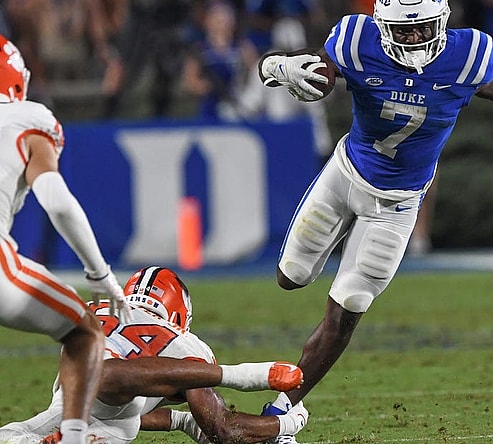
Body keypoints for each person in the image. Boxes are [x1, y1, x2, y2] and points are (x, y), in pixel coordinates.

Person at [255, 1, 493, 442]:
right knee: (289, 277)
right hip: (344, 177)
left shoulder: (465, 57)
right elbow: (320, 70)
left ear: (442, 22)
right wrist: (281, 66)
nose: (411, 39)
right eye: (402, 31)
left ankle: (281, 412)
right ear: (381, 25)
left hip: (398, 205)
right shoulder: (357, 38)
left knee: (347, 307)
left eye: (421, 29)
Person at [0, 266, 309, 444]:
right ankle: (239, 374)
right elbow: (224, 430)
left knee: (120, 421)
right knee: (112, 388)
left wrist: (180, 421)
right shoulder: (186, 344)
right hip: (106, 382)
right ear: (178, 312)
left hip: (81, 391)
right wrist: (288, 424)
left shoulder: (94, 308)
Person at [0, 33, 129, 444]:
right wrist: (99, 274)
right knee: (85, 331)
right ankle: (74, 438)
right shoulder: (26, 118)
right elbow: (56, 202)